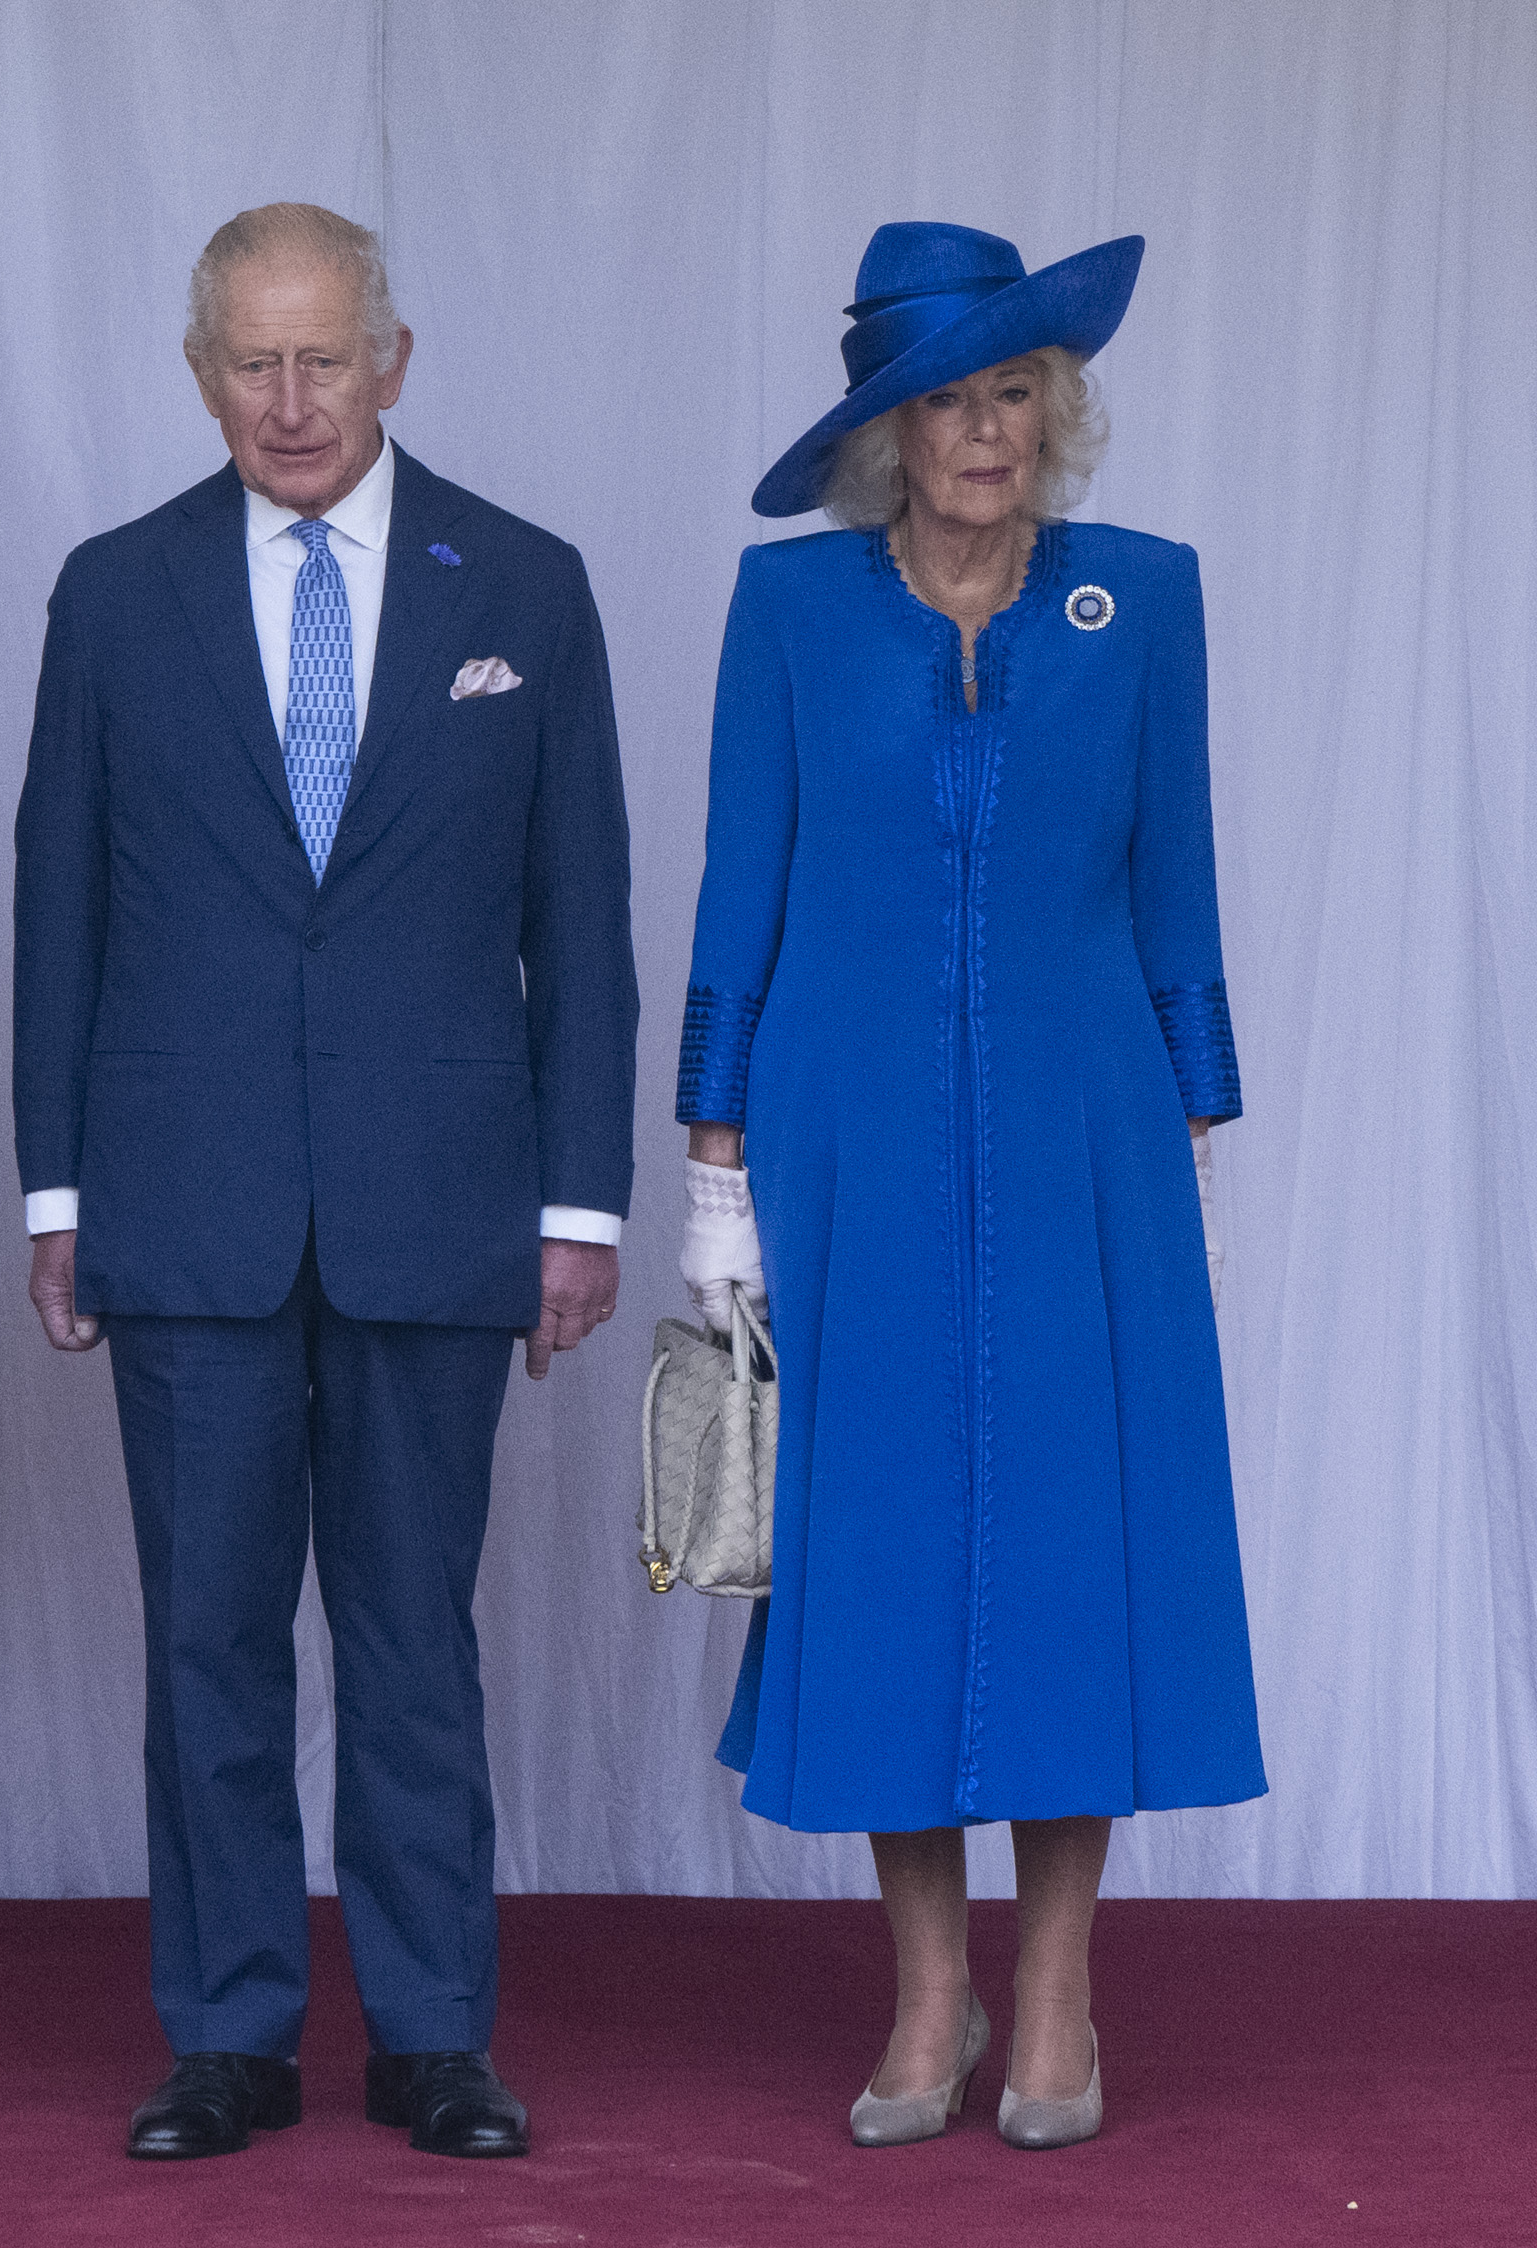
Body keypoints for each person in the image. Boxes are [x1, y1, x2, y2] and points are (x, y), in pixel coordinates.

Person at [14, 203, 638, 2163]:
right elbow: (57, 910)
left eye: (321, 358)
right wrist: (55, 1189)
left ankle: (435, 2025)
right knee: (201, 1627)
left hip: (438, 1195)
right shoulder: (116, 593)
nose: (288, 401)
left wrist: (579, 1202)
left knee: (409, 1631)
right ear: (200, 370)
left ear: (395, 357)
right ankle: (229, 2031)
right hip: (182, 1193)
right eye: (249, 363)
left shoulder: (522, 587)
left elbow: (584, 920)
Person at [678, 222, 1265, 2151]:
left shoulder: (1144, 600)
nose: (985, 430)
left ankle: (1064, 1991)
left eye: (1015, 390)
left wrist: (1192, 1115)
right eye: (946, 398)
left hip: (1087, 1141)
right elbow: (737, 895)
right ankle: (928, 1996)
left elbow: (1171, 874)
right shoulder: (790, 613)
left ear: (1056, 412)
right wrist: (718, 1174)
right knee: (891, 1554)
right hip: (848, 1145)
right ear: (887, 432)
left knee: (1071, 1556)